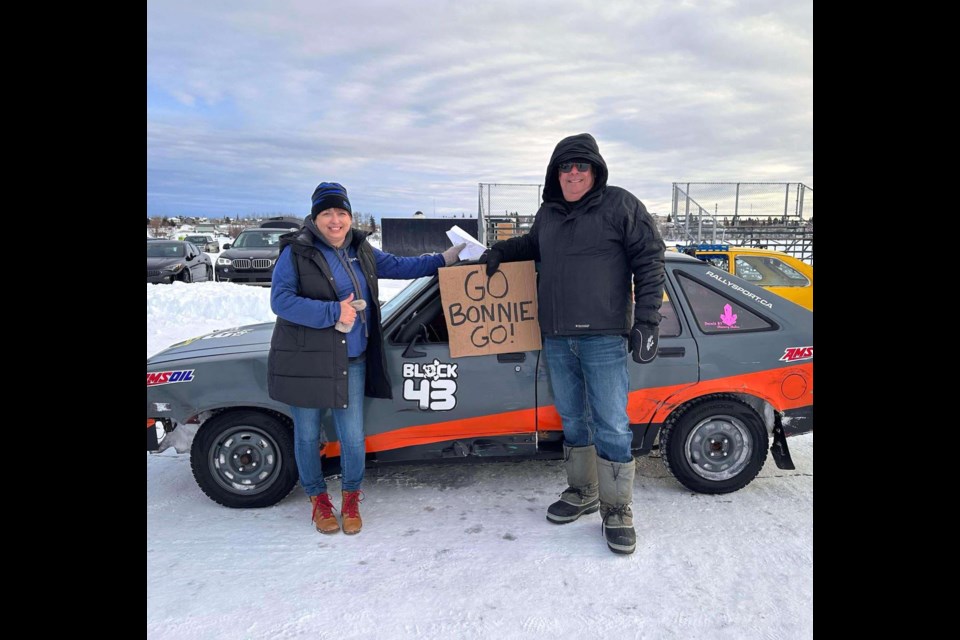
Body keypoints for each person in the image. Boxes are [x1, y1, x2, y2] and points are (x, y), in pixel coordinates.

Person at [479, 133, 665, 555]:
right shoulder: (549, 214)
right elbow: (531, 245)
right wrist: (500, 250)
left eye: (582, 166)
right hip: (558, 338)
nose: (574, 173)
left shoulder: (621, 205)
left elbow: (650, 260)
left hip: (603, 337)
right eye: (566, 167)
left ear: (596, 171)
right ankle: (583, 490)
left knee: (612, 423)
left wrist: (648, 320)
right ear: (555, 173)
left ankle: (617, 508)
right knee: (572, 419)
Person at [268, 182, 465, 535]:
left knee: (353, 436)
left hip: (352, 358)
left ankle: (350, 497)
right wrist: (332, 312)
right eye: (327, 213)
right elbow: (280, 301)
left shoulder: (362, 250)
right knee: (307, 435)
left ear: (350, 216)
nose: (335, 220)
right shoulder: (296, 252)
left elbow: (401, 265)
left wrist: (443, 260)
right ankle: (318, 500)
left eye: (341, 213)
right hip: (307, 362)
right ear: (315, 218)